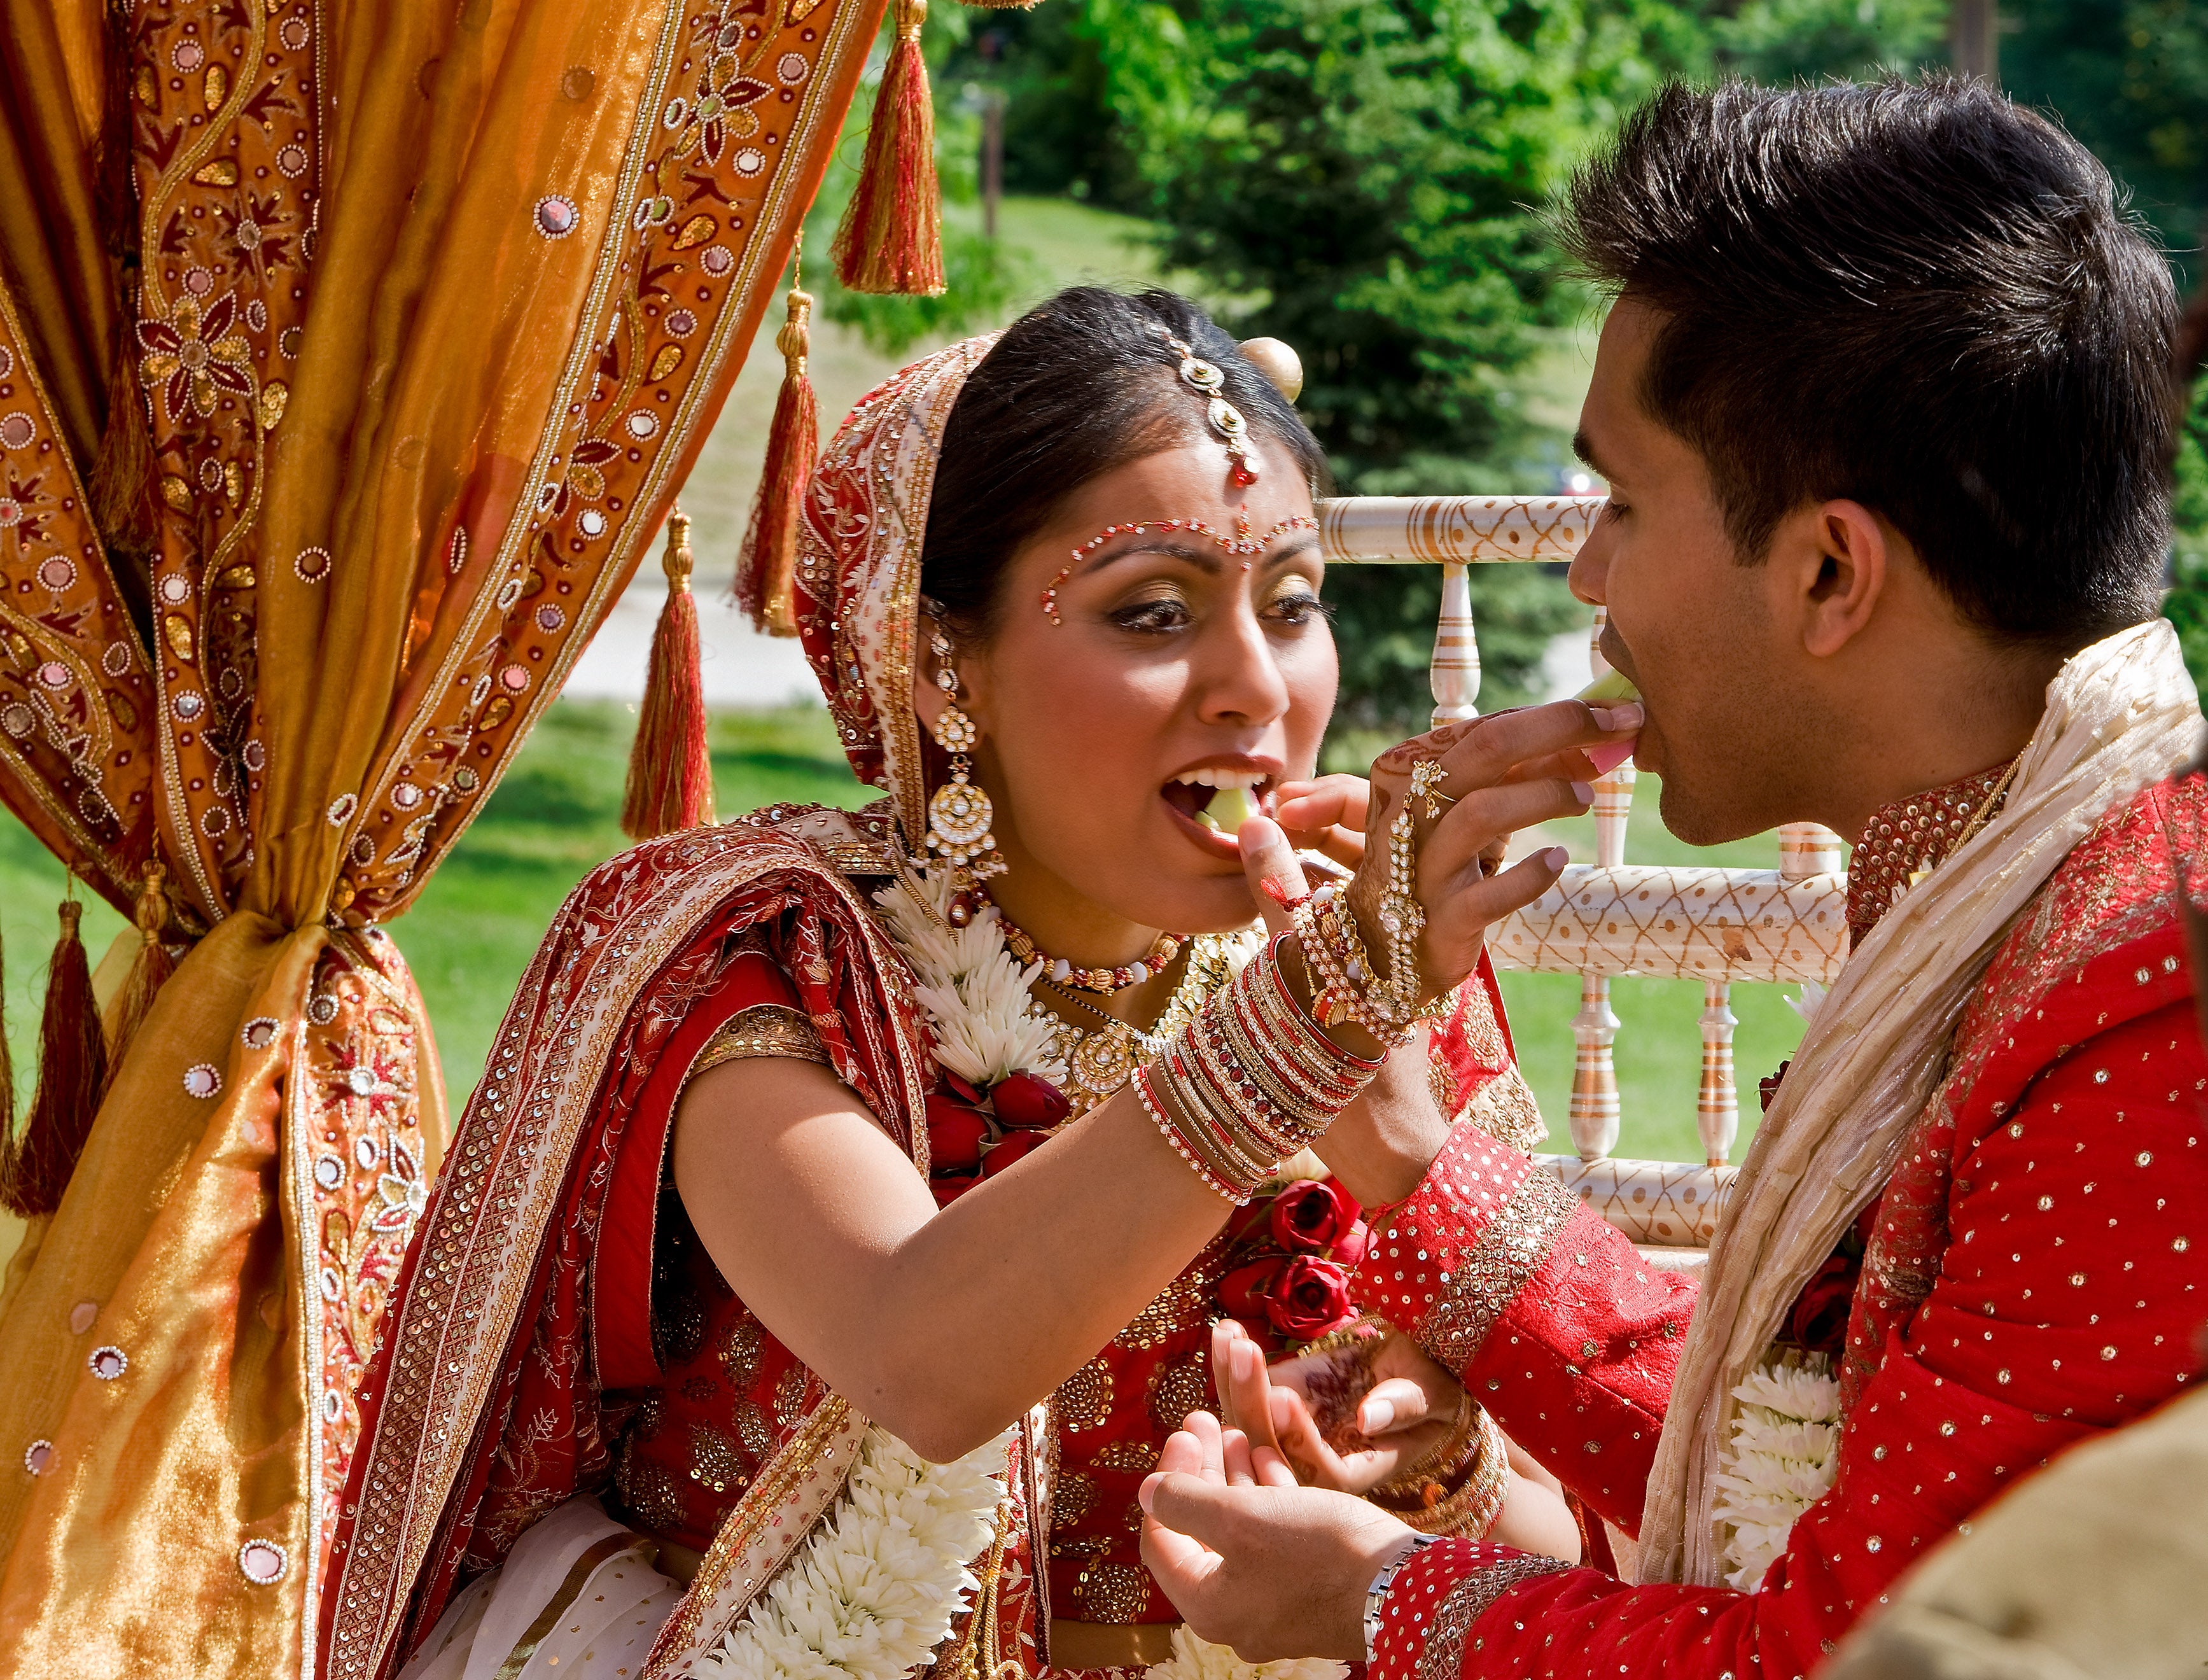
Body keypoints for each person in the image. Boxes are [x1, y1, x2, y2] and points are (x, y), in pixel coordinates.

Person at [315, 286, 1632, 1680]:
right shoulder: (769, 955)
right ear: (946, 665)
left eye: (1293, 602)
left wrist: (1435, 1471)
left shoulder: (1366, 985)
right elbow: (918, 1357)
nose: (1256, 686)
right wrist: (1297, 1038)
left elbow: (1555, 1554)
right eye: (1154, 612)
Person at [1130, 76, 2208, 1678]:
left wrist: (1375, 1602)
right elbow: (1867, 1496)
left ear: (1829, 571)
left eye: (1621, 505)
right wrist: (1424, 1173)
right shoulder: (2027, 887)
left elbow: (1876, 1652)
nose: (1584, 576)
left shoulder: (2141, 1005)